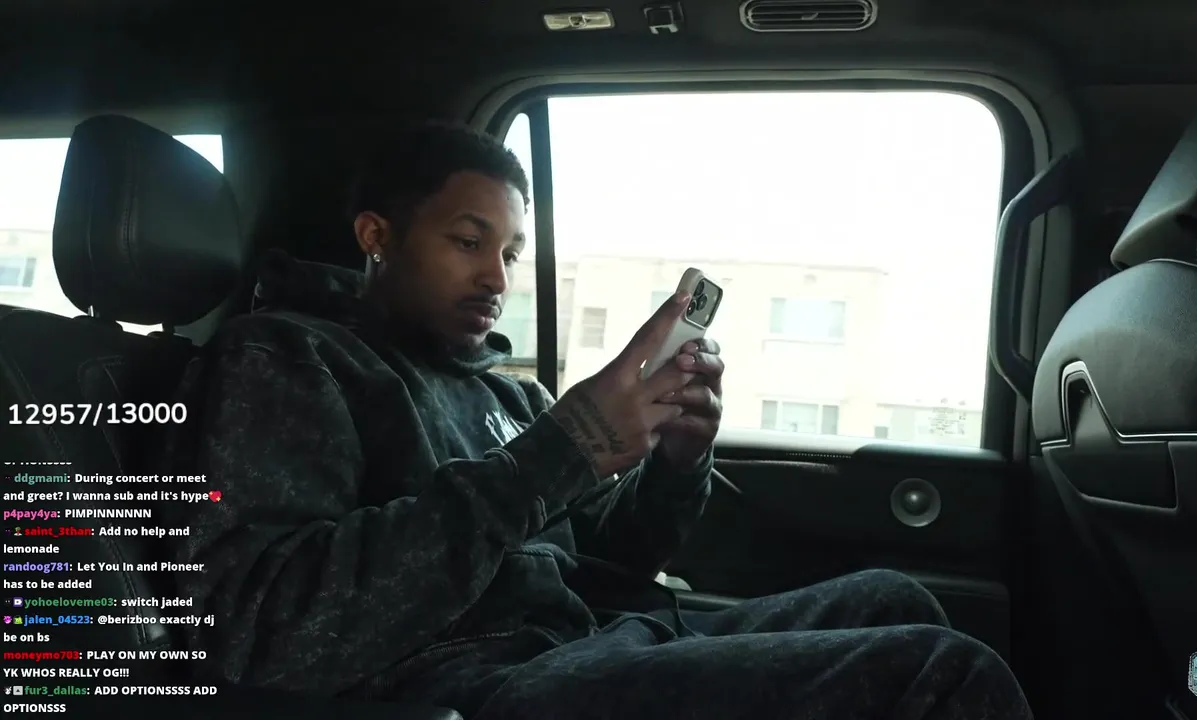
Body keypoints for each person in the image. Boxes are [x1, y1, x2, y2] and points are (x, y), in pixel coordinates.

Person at [161, 122, 1033, 719]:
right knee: (941, 674)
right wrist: (559, 453)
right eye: (468, 242)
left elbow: (612, 561)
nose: (498, 278)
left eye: (510, 252)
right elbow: (267, 630)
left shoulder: (501, 392)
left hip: (584, 641)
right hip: (461, 683)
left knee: (895, 597)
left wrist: (676, 461)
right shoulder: (288, 359)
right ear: (375, 235)